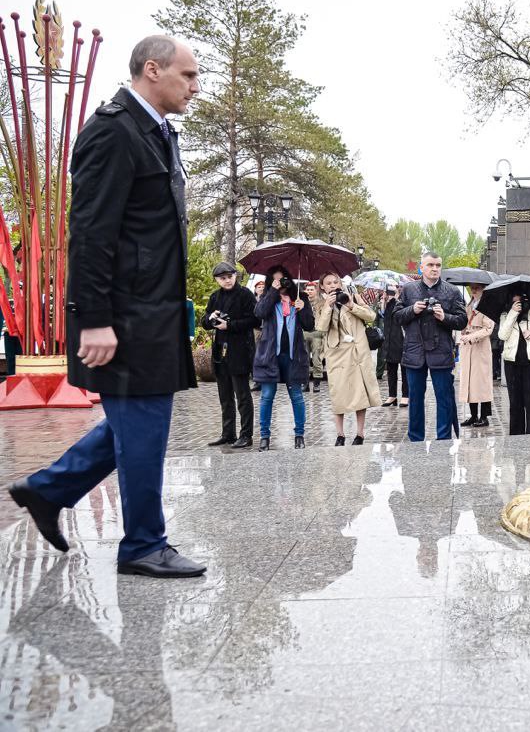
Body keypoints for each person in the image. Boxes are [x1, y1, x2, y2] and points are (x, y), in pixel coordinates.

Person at [8, 35, 205, 578]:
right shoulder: (112, 132)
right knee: (143, 427)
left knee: (137, 424)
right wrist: (93, 319)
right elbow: (90, 235)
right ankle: (143, 544)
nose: (195, 86)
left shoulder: (156, 131)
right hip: (121, 315)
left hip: (152, 310)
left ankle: (46, 491)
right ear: (151, 70)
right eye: (187, 75)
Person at [397, 252, 467, 441]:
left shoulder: (452, 291)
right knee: (415, 401)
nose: (435, 268)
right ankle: (415, 440)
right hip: (415, 353)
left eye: (438, 265)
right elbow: (396, 316)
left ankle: (443, 441)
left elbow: (462, 321)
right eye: (430, 265)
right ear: (422, 267)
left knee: (444, 400)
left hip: (441, 352)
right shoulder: (409, 290)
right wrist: (412, 309)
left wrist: (444, 317)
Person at [316, 272, 381, 445]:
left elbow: (371, 316)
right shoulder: (321, 304)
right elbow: (321, 328)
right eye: (328, 283)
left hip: (357, 353)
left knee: (360, 393)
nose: (332, 285)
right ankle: (340, 434)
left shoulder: (352, 295)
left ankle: (360, 434)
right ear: (322, 286)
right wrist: (329, 307)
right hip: (336, 354)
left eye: (335, 281)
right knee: (338, 394)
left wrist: (352, 305)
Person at [254, 265, 314, 450]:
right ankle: (264, 437)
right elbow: (259, 314)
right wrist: (273, 290)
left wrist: (303, 309)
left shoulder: (300, 297)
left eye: (283, 279)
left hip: (293, 355)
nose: (281, 283)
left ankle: (299, 435)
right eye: (276, 279)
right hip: (270, 355)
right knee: (267, 396)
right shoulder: (268, 298)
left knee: (296, 396)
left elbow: (309, 325)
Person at [202, 262, 259, 448]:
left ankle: (246, 435)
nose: (227, 280)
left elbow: (255, 319)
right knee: (224, 396)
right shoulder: (215, 297)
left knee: (242, 395)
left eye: (229, 276)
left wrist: (230, 325)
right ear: (217, 280)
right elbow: (205, 321)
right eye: (222, 278)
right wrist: (211, 319)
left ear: (235, 276)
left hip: (240, 350)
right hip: (220, 351)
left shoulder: (245, 295)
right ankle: (228, 433)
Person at [498, 292, 530, 435]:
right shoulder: (505, 315)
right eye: (514, 302)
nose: (518, 304)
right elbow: (502, 335)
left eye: (520, 301)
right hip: (511, 364)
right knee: (515, 404)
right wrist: (512, 314)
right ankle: (516, 437)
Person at [458, 282, 496, 427]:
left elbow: (488, 329)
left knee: (482, 382)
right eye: (472, 288)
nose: (473, 291)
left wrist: (472, 336)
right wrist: (463, 332)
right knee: (469, 382)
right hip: (468, 347)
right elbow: (466, 323)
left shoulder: (487, 306)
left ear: (483, 290)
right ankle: (473, 415)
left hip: (480, 348)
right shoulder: (469, 305)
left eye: (477, 288)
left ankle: (484, 416)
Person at [381, 284, 407, 407]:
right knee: (391, 370)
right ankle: (392, 396)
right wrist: (383, 301)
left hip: (401, 340)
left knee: (404, 369)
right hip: (389, 340)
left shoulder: (403, 302)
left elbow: (401, 317)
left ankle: (406, 396)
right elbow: (383, 316)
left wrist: (396, 299)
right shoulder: (388, 303)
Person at [302, 281, 325, 392]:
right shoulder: (301, 302)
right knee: (304, 358)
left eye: (312, 289)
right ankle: (305, 383)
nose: (309, 292)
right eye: (308, 289)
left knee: (316, 358)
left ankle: (317, 382)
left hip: (317, 333)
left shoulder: (321, 303)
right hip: (304, 333)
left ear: (316, 291)